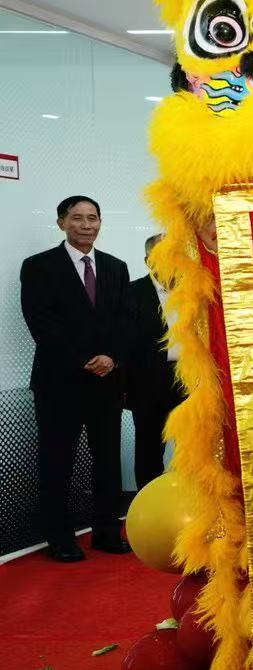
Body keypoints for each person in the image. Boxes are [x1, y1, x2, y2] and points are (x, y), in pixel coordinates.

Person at [20, 195, 133, 561]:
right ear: (61, 223)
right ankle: (59, 538)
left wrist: (112, 358)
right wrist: (85, 360)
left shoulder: (116, 267)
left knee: (107, 462)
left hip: (107, 382)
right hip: (59, 383)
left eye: (92, 218)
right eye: (77, 218)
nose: (86, 225)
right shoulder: (38, 266)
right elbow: (41, 324)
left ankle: (106, 532)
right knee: (57, 462)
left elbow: (126, 321)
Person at [127, 234, 183, 488]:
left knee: (194, 450)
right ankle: (148, 504)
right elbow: (124, 344)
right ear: (148, 261)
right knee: (149, 450)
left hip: (190, 380)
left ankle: (192, 503)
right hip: (148, 383)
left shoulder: (196, 290)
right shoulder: (131, 293)